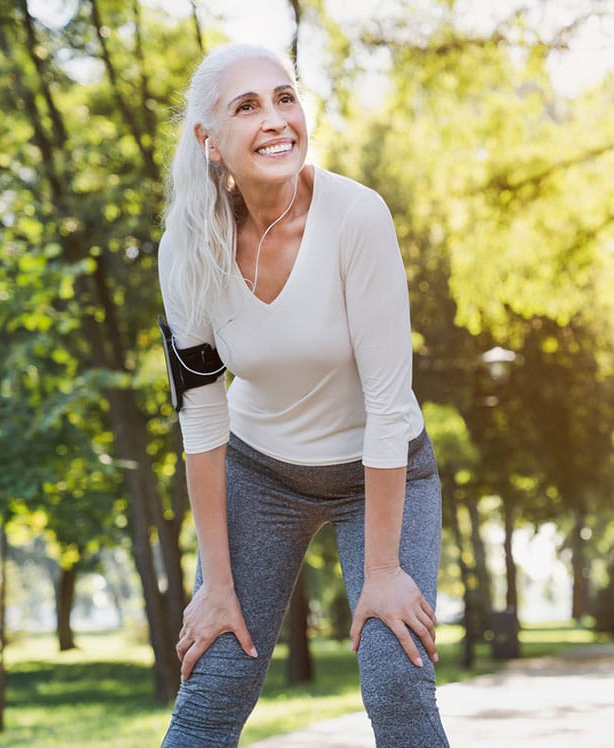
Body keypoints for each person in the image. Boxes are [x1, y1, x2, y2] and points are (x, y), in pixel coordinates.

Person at [157, 42, 450, 747]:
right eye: (248, 106)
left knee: (396, 674)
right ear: (210, 142)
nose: (276, 119)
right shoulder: (187, 247)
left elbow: (388, 404)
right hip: (261, 476)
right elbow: (201, 416)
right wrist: (216, 586)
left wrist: (382, 573)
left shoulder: (357, 217)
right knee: (215, 677)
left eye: (285, 98)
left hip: (383, 473)